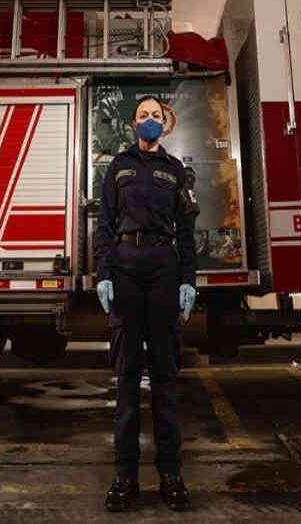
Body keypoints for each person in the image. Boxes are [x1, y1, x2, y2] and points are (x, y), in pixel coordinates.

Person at [94, 94, 198, 512]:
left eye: (156, 115)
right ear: (133, 124)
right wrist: (103, 275)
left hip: (162, 272)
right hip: (125, 270)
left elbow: (187, 233)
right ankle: (125, 475)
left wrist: (188, 281)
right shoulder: (117, 167)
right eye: (143, 116)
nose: (150, 121)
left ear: (165, 123)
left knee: (165, 377)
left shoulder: (175, 172)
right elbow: (104, 226)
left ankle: (170, 473)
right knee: (126, 377)